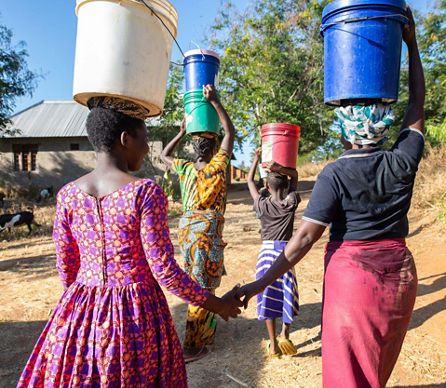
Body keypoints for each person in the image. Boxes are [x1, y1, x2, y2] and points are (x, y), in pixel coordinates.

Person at [237, 8, 425, 387]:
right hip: (400, 275)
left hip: (354, 280)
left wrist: (257, 286)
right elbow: (416, 106)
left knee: (349, 373)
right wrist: (411, 44)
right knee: (376, 366)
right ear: (382, 124)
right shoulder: (402, 160)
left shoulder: (334, 173)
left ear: (344, 130)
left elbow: (304, 238)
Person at [18, 106, 242, 387]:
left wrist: (82, 310)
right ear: (126, 139)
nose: (147, 148)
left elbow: (66, 266)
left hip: (81, 308)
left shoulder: (67, 195)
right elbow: (164, 271)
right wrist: (217, 305)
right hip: (135, 314)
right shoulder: (144, 192)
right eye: (144, 139)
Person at [161, 84, 235, 362]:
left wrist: (180, 132)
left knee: (197, 283)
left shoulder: (185, 168)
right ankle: (192, 344)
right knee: (203, 288)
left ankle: (205, 334)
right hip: (207, 232)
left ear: (194, 148)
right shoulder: (218, 166)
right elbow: (230, 132)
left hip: (188, 232)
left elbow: (163, 156)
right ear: (214, 147)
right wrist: (215, 102)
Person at [247, 149, 301, 358]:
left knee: (266, 293)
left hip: (266, 254)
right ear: (286, 186)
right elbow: (295, 175)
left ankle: (272, 344)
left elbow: (250, 182)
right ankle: (285, 335)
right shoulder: (290, 202)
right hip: (285, 254)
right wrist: (280, 169)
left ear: (267, 187)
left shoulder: (261, 204)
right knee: (287, 292)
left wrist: (256, 159)